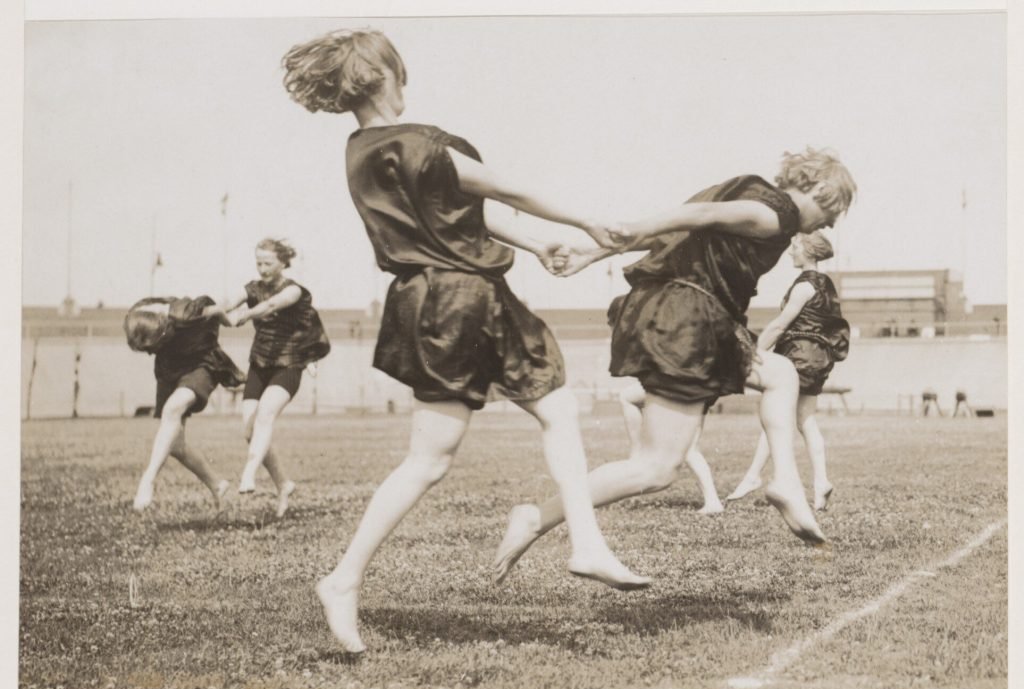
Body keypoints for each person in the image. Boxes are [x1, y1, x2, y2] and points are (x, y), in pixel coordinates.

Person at [281, 28, 648, 653]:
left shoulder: (364, 151)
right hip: (460, 298)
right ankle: (342, 580)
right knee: (456, 449)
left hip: (437, 297)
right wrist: (582, 220)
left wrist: (533, 244)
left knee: (530, 419)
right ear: (388, 75)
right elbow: (501, 188)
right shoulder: (419, 140)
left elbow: (460, 211)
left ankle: (585, 543)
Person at [494, 148, 857, 583]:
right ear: (816, 187)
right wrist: (621, 230)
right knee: (655, 468)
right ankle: (535, 517)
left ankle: (784, 481)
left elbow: (682, 227)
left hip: (693, 314)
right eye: (832, 208)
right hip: (687, 317)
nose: (831, 222)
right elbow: (696, 215)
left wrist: (593, 253)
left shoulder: (751, 194)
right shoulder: (774, 212)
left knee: (780, 374)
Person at [725, 232, 850, 511]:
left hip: (799, 355)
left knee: (776, 415)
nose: (790, 253)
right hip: (819, 358)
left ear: (807, 251)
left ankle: (753, 476)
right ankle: (821, 482)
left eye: (794, 248)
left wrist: (754, 353)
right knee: (805, 419)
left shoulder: (803, 286)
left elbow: (779, 326)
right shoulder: (826, 286)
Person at [223, 238, 331, 518]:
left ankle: (249, 472)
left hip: (289, 363)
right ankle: (284, 484)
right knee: (249, 431)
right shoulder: (252, 288)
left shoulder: (293, 291)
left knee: (265, 416)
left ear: (283, 262)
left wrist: (243, 315)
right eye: (258, 263)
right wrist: (215, 311)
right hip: (260, 362)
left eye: (268, 263)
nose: (262, 268)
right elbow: (227, 302)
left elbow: (270, 306)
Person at [125, 295, 245, 513]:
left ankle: (148, 480)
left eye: (155, 345)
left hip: (200, 362)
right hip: (170, 367)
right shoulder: (139, 315)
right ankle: (217, 485)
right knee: (175, 445)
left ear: (165, 327)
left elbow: (221, 307)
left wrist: (229, 320)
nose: (151, 351)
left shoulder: (185, 313)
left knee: (173, 409)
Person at [618, 380, 723, 515]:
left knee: (627, 396)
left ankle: (637, 454)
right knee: (691, 449)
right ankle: (713, 501)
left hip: (685, 382)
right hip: (703, 384)